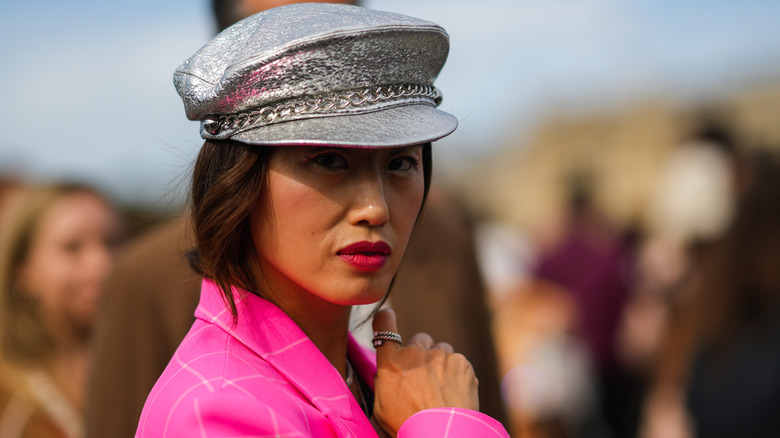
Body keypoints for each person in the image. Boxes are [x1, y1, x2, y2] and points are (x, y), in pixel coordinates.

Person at [135, 4, 509, 437]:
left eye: (401, 164)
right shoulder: (215, 411)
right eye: (330, 160)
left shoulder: (362, 377)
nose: (376, 208)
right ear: (238, 179)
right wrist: (447, 425)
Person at [0, 183, 122, 438]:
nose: (102, 264)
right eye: (72, 247)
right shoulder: (10, 400)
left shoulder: (149, 368)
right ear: (23, 271)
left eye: (112, 242)